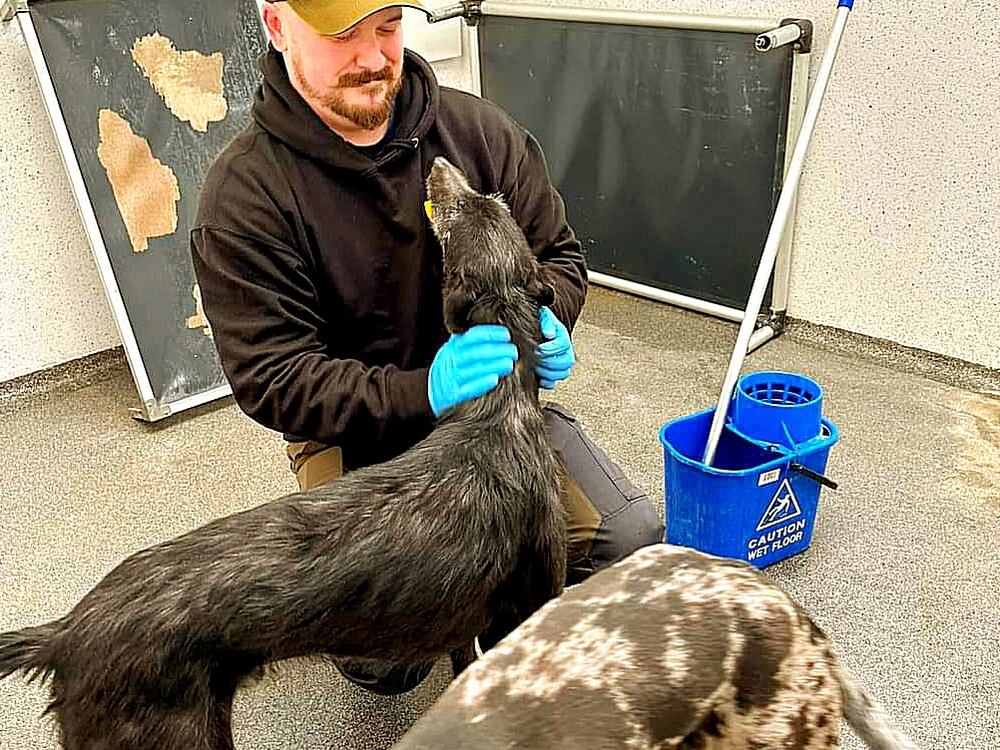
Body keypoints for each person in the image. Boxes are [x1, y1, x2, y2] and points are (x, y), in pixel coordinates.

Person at [190, 0, 663, 695]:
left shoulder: (479, 134)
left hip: (495, 413)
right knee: (387, 657)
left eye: (385, 26)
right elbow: (274, 378)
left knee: (628, 538)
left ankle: (512, 668)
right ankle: (423, 633)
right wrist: (421, 390)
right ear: (276, 24)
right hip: (354, 431)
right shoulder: (245, 200)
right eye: (342, 34)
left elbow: (559, 256)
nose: (373, 56)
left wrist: (546, 315)